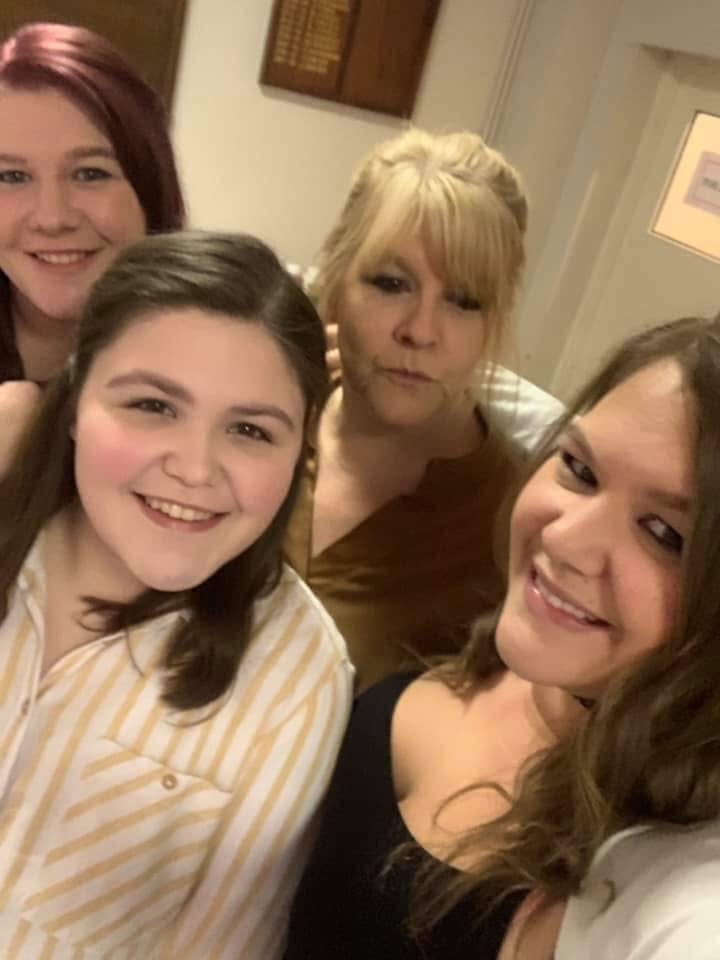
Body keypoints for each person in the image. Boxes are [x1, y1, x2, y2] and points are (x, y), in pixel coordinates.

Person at [284, 314, 717, 959]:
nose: (564, 538)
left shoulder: (670, 887)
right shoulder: (483, 647)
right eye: (579, 468)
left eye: (664, 534)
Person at [0, 231, 353, 958]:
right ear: (75, 400)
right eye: (154, 406)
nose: (195, 468)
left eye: (250, 429)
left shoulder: (298, 675)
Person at [285, 127, 563, 692]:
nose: (420, 331)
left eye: (463, 300)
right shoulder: (261, 419)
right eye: (391, 283)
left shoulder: (515, 527)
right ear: (335, 278)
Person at [0, 21, 184, 463]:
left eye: (90, 173)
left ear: (149, 187)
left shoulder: (204, 361)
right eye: (12, 176)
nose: (52, 218)